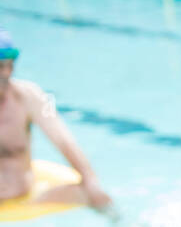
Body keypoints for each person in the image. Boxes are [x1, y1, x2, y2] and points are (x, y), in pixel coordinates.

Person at [0, 27, 114, 213]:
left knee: (90, 193)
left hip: (26, 199)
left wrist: (91, 181)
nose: (1, 73)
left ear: (11, 67)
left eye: (3, 66)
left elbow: (63, 140)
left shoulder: (29, 96)